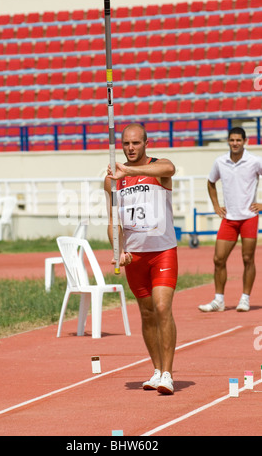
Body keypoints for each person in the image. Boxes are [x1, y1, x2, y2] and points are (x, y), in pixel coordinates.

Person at [104, 123, 178, 394]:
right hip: (134, 257)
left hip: (163, 251)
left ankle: (169, 374)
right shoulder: (112, 180)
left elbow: (170, 169)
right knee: (147, 314)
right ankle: (157, 369)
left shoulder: (159, 168)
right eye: (126, 144)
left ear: (146, 143)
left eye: (135, 143)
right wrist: (118, 251)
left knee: (161, 308)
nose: (131, 148)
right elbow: (114, 222)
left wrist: (129, 170)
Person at [199, 127, 262, 313]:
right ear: (228, 141)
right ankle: (219, 300)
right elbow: (211, 183)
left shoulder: (254, 161)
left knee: (248, 258)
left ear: (245, 141)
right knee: (218, 259)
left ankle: (245, 298)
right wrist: (216, 206)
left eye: (238, 140)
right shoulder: (220, 162)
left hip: (249, 217)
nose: (235, 143)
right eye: (232, 140)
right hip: (229, 219)